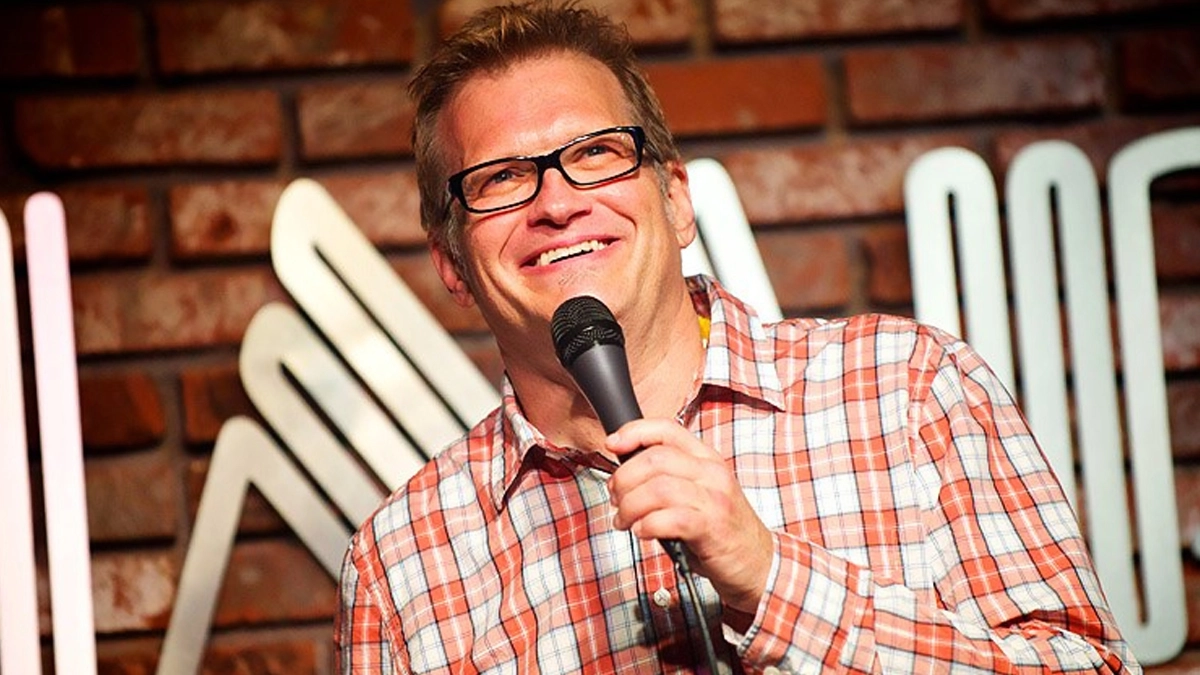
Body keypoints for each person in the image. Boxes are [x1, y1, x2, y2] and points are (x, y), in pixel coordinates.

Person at [335, 2, 1140, 673]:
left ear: (676, 200)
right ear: (451, 262)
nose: (556, 202)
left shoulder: (910, 385)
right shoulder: (399, 564)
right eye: (502, 177)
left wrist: (771, 576)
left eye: (595, 152)